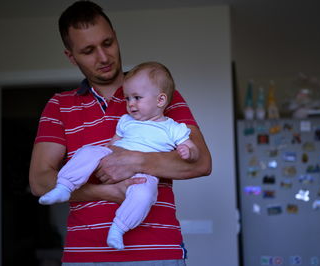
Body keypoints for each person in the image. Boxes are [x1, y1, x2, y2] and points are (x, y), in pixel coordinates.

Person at [28, 1, 211, 265]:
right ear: (71, 56)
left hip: (157, 252)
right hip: (85, 255)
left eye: (108, 43)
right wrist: (108, 191)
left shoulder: (158, 94)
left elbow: (202, 163)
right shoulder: (59, 106)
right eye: (89, 50)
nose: (103, 57)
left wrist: (134, 161)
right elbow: (40, 182)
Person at [38, 61, 200, 251]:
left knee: (145, 194)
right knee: (88, 151)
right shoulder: (126, 121)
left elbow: (194, 150)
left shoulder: (172, 127)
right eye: (128, 98)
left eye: (137, 98)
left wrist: (188, 152)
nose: (130, 104)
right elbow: (113, 143)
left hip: (144, 174)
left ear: (160, 100)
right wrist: (104, 157)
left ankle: (119, 228)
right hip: (115, 156)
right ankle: (65, 186)